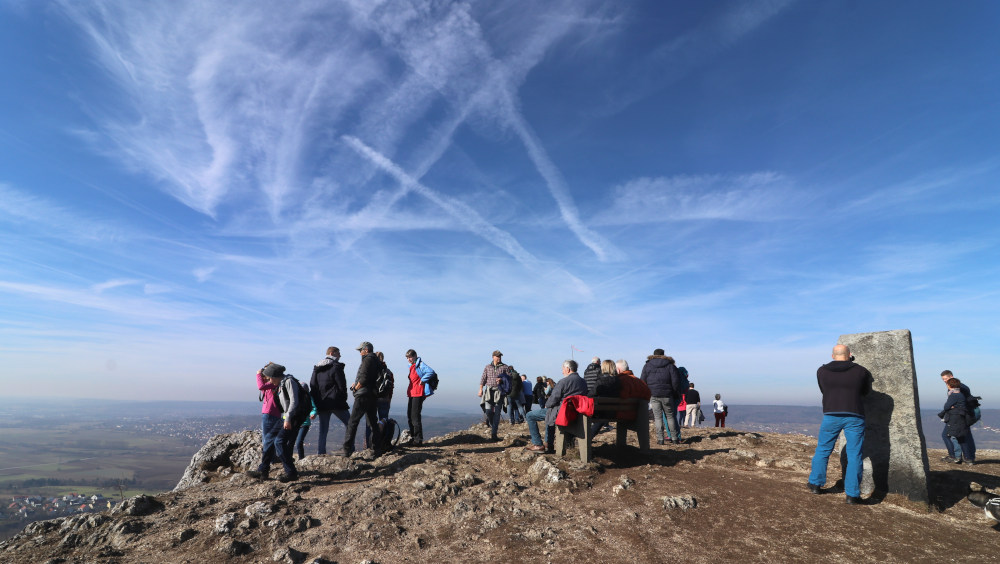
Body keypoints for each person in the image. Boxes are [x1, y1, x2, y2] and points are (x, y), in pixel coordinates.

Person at [807, 344, 873, 505]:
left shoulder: (821, 371)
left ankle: (815, 484)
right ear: (850, 354)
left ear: (832, 355)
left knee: (823, 449)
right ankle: (852, 495)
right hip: (855, 415)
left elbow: (824, 390)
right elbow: (865, 392)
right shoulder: (861, 371)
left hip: (831, 414)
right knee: (854, 454)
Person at [251, 364, 306, 482]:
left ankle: (291, 473)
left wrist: (288, 419)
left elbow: (294, 401)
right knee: (270, 438)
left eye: (270, 378)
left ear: (275, 376)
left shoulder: (289, 382)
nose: (270, 381)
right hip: (287, 416)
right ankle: (263, 470)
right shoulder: (281, 383)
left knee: (279, 442)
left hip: (293, 417)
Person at [524, 360, 587, 452]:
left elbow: (554, 398)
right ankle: (547, 444)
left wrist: (547, 405)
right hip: (576, 413)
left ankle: (538, 444)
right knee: (550, 414)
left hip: (562, 412)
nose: (562, 372)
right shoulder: (583, 382)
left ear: (568, 369)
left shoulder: (563, 381)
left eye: (563, 369)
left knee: (530, 415)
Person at [342, 341, 383, 457]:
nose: (360, 353)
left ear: (366, 350)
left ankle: (347, 450)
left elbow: (364, 378)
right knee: (373, 423)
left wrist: (356, 387)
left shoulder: (368, 359)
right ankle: (377, 448)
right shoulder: (376, 360)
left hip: (363, 395)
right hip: (373, 395)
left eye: (361, 350)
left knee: (352, 422)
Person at [310, 347, 350, 455]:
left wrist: (317, 403)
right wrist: (343, 398)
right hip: (336, 403)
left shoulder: (317, 369)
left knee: (323, 430)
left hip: (322, 403)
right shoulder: (336, 367)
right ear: (332, 353)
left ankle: (320, 453)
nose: (340, 356)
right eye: (338, 353)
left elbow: (313, 386)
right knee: (350, 424)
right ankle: (349, 449)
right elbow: (342, 385)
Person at [640, 348, 682, 445]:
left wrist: (647, 393)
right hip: (667, 395)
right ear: (664, 355)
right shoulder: (670, 365)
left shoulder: (647, 365)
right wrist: (675, 393)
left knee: (658, 417)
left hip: (653, 395)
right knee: (670, 416)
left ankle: (660, 439)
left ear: (653, 355)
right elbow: (675, 382)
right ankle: (675, 438)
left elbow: (643, 381)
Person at [252, 362, 284, 479]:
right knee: (271, 437)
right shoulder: (273, 383)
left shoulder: (273, 383)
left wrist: (258, 374)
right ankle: (272, 457)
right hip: (274, 413)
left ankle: (268, 461)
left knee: (267, 438)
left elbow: (260, 386)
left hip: (269, 412)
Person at [939, 370, 977, 464]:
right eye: (943, 379)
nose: (944, 381)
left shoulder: (958, 389)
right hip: (964, 415)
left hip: (959, 416)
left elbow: (950, 405)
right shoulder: (960, 387)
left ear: (951, 376)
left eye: (946, 379)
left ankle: (956, 456)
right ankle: (968, 457)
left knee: (949, 435)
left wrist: (954, 407)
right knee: (964, 436)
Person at [478, 350, 511, 441]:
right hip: (489, 391)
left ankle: (494, 433)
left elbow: (509, 378)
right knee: (488, 411)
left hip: (499, 392)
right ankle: (493, 426)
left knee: (497, 413)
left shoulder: (505, 367)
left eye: (500, 356)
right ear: (493, 357)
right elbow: (483, 378)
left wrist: (502, 379)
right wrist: (480, 389)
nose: (499, 357)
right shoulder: (487, 367)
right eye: (497, 356)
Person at [405, 349, 435, 446]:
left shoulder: (420, 364)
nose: (409, 359)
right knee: (410, 416)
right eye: (407, 357)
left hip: (418, 393)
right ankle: (414, 437)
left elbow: (431, 372)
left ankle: (418, 440)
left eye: (410, 357)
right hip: (412, 393)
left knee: (415, 417)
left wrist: (423, 380)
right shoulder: (412, 366)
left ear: (415, 356)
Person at [365, 351, 393, 449]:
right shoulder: (388, 371)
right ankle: (384, 443)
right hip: (384, 399)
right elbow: (391, 387)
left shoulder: (370, 370)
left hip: (372, 399)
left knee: (369, 423)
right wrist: (389, 399)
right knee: (384, 421)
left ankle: (369, 446)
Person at [293, 384, 318, 460]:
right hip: (295, 424)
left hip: (304, 424)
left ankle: (301, 459)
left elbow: (313, 408)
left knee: (299, 443)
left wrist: (313, 414)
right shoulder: (294, 397)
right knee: (291, 442)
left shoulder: (308, 398)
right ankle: (289, 459)